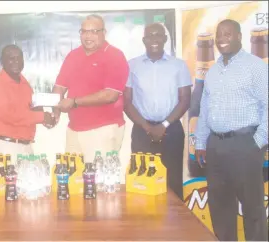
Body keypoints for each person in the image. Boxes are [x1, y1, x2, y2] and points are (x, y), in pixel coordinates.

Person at [195, 19, 268, 241]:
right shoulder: (214, 71)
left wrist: (258, 140)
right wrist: (200, 141)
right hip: (215, 146)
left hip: (245, 145)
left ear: (239, 36)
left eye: (227, 34)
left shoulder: (256, 67)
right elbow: (205, 108)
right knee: (220, 207)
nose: (221, 39)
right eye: (219, 35)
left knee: (253, 210)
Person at [124, 23, 192, 200]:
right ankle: (143, 225)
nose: (154, 39)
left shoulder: (179, 65)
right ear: (143, 40)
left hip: (172, 130)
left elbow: (185, 100)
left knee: (173, 181)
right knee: (141, 181)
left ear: (165, 39)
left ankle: (175, 226)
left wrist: (164, 125)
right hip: (141, 130)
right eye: (150, 36)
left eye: (158, 35)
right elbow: (126, 101)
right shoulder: (131, 65)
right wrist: (147, 127)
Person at [52, 14, 129, 162]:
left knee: (99, 181)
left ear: (103, 33)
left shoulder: (115, 56)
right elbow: (59, 87)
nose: (88, 36)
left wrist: (74, 102)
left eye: (94, 31)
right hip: (74, 129)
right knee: (74, 180)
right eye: (84, 31)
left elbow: (110, 95)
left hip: (103, 130)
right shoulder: (73, 56)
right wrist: (55, 111)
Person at [0, 45, 54, 158]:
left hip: (26, 147)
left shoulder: (24, 83)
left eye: (19, 58)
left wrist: (48, 118)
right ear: (2, 61)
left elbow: (30, 109)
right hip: (5, 147)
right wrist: (41, 117)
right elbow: (8, 115)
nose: (16, 61)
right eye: (11, 58)